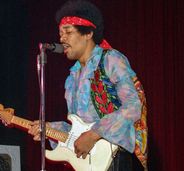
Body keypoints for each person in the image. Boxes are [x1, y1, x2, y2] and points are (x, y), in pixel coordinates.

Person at [28, 0, 148, 170]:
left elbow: (133, 106)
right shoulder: (72, 77)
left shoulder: (110, 59)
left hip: (116, 159)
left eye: (68, 32)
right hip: (90, 164)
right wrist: (48, 128)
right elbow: (77, 129)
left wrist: (93, 134)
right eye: (60, 33)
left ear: (88, 33)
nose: (61, 38)